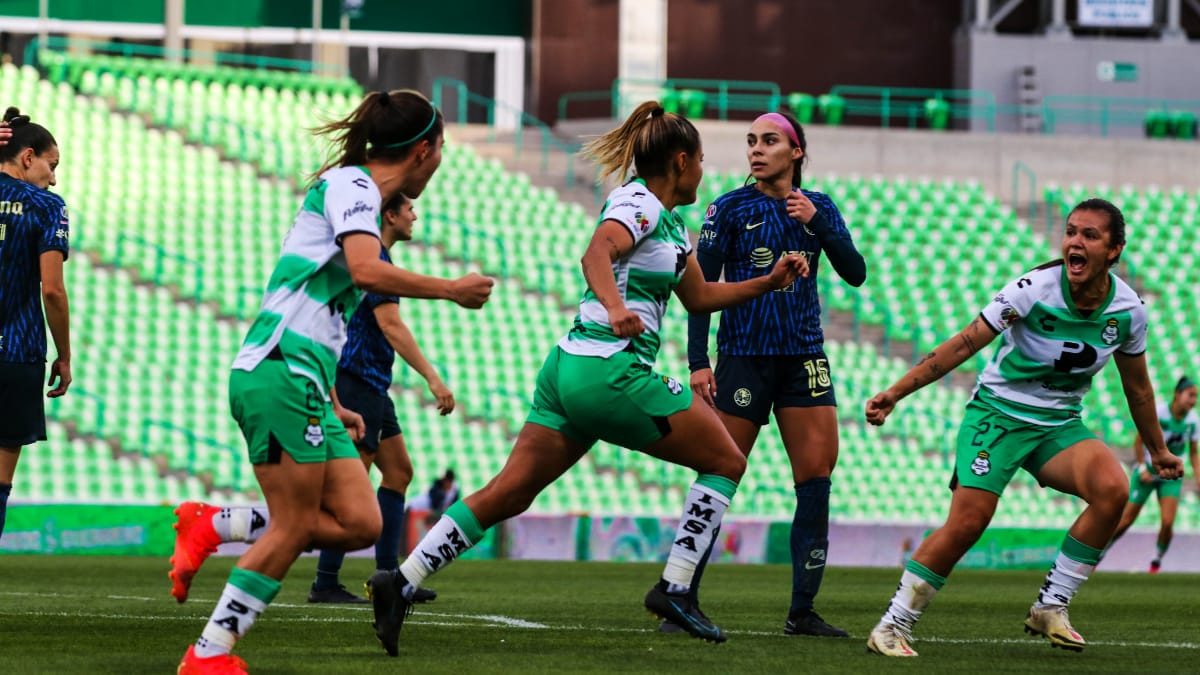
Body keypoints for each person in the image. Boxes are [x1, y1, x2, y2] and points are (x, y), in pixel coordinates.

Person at [363, 100, 809, 656]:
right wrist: (616, 305)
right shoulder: (637, 202)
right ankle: (675, 588)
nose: (703, 171)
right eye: (698, 160)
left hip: (571, 371)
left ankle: (400, 581)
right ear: (679, 161)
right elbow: (596, 253)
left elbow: (700, 297)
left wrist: (768, 281)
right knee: (726, 460)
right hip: (608, 369)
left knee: (511, 491)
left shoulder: (671, 224)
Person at [173, 89, 494, 675]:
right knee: (296, 525)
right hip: (278, 371)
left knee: (360, 522)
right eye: (442, 149)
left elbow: (324, 305)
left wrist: (331, 399)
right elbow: (367, 272)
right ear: (425, 149)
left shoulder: (358, 192)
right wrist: (452, 288)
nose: (441, 162)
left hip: (305, 379)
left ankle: (216, 523)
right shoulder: (355, 187)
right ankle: (208, 655)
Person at [862, 198, 1184, 658]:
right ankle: (892, 625)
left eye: (1090, 235)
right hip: (997, 414)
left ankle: (1051, 606)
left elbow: (1139, 390)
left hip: (1058, 425)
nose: (1075, 241)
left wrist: (1158, 451)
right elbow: (963, 344)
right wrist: (895, 392)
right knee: (970, 521)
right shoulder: (1032, 289)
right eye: (1071, 231)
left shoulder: (1129, 311)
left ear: (1114, 251)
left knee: (1114, 487)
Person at [683, 110, 865, 638]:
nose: (756, 150)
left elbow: (856, 274)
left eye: (769, 141)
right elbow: (700, 289)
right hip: (742, 357)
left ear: (796, 152)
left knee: (816, 482)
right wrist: (699, 362)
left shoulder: (820, 208)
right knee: (720, 475)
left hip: (803, 359)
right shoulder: (728, 208)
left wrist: (820, 223)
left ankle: (801, 612)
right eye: (750, 141)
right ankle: (681, 595)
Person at [307, 193, 450, 604]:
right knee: (353, 485)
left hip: (371, 384)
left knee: (399, 473)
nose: (415, 216)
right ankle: (325, 581)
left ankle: (392, 580)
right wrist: (433, 379)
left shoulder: (377, 259)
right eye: (409, 210)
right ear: (390, 215)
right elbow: (391, 326)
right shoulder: (379, 265)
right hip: (357, 382)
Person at [0, 107, 71, 541]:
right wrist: (64, 354)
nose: (55, 177)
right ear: (28, 156)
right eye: (52, 164)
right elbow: (53, 291)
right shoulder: (46, 206)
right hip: (16, 353)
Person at [1106, 375, 1198, 572]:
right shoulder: (1159, 412)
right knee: (1125, 521)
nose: (1194, 400)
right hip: (1148, 471)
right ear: (1177, 394)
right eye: (1190, 395)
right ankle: (1100, 552)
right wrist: (1140, 467)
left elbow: (1193, 452)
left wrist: (1198, 476)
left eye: (1196, 396)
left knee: (1167, 522)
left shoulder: (1193, 421)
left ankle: (1156, 560)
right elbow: (1138, 440)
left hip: (1171, 477)